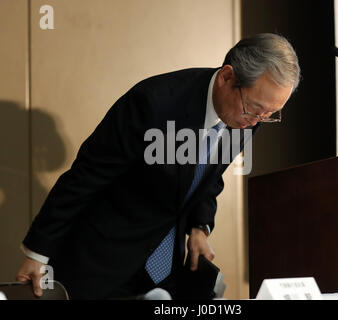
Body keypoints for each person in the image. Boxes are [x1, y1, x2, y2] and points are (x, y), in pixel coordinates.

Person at [16, 33, 300, 299]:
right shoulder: (153, 103)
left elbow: (209, 176)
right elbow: (86, 176)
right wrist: (38, 252)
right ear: (227, 77)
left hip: (166, 264)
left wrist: (199, 226)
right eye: (254, 109)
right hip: (106, 256)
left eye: (270, 115)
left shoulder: (248, 117)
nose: (257, 120)